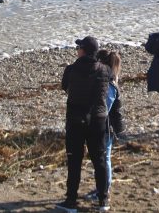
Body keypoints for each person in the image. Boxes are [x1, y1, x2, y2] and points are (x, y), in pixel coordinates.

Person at [56, 36, 112, 213]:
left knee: (74, 160)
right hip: (98, 119)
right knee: (100, 159)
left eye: (79, 47)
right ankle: (103, 200)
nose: (77, 50)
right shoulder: (105, 70)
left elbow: (65, 87)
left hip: (76, 119)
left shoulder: (71, 69)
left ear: (83, 50)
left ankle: (71, 200)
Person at [84, 49, 124, 203]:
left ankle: (104, 190)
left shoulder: (109, 83)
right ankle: (102, 189)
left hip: (105, 127)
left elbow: (105, 107)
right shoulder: (111, 80)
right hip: (107, 126)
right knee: (103, 158)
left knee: (104, 158)